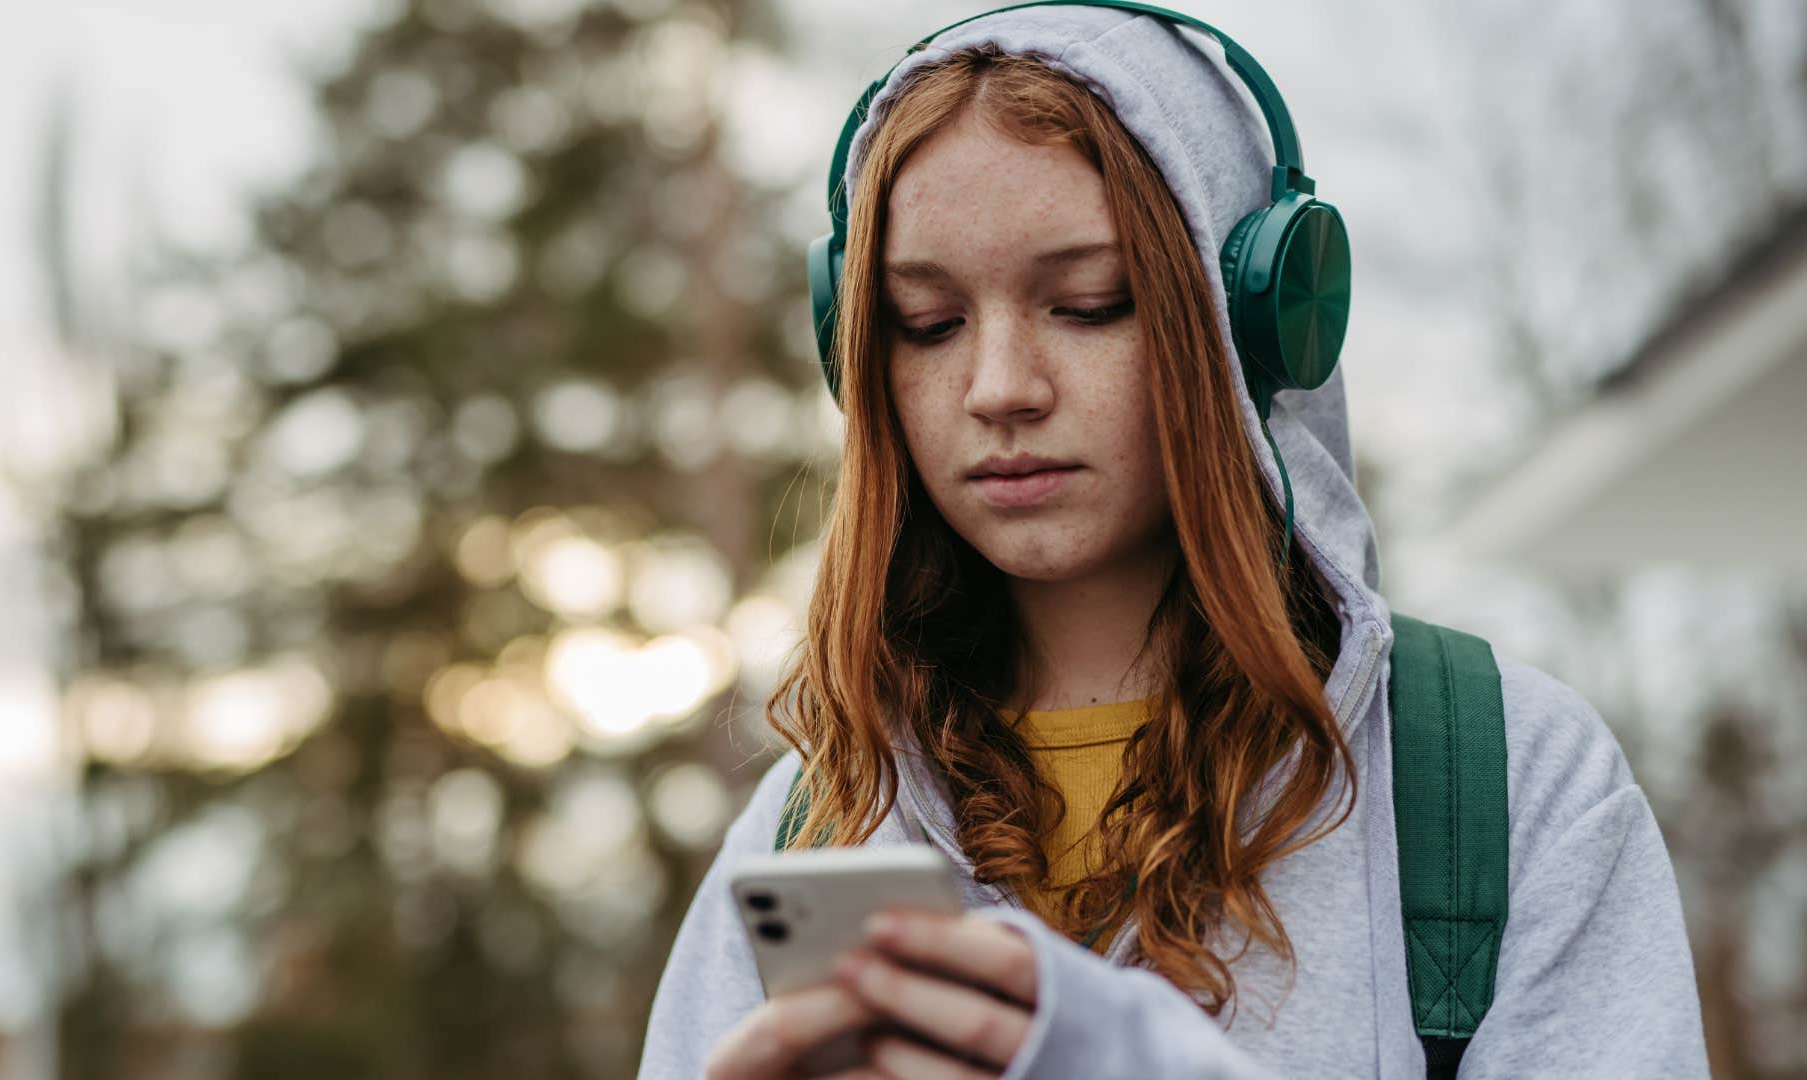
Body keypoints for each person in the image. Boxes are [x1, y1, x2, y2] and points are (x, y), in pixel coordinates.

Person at [638, 5, 1708, 1077]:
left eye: (1091, 304)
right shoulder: (811, 833)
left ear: (1256, 321)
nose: (1001, 388)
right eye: (928, 323)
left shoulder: (1501, 787)